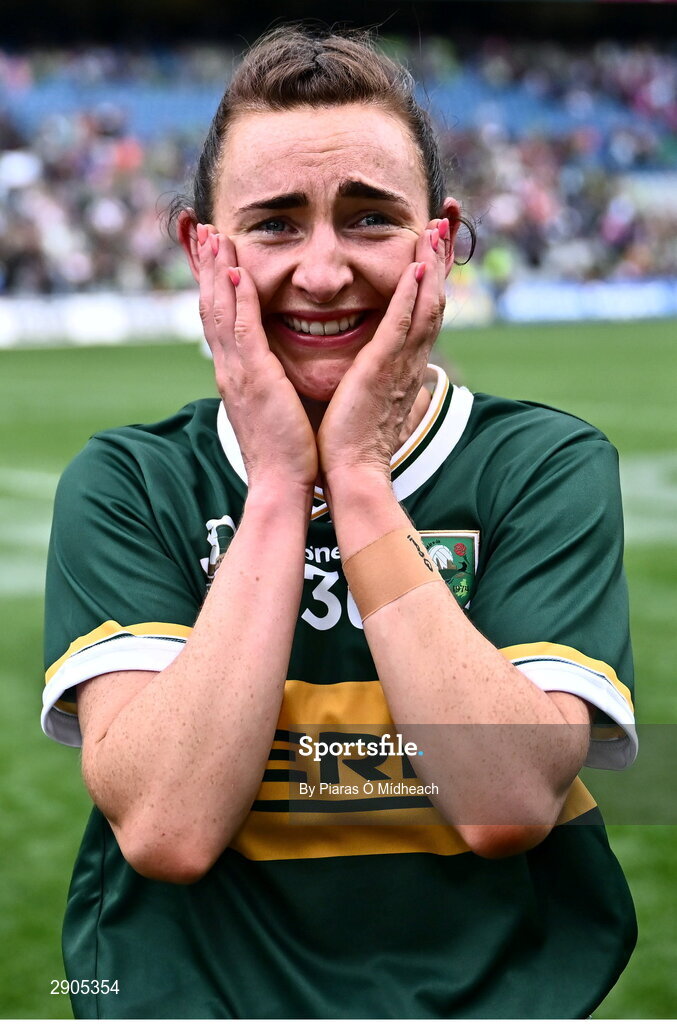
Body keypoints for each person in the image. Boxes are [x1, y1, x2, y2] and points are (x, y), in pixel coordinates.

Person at [42, 25, 638, 1019]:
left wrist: (355, 473)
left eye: (368, 219)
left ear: (436, 245)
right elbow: (168, 827)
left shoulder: (541, 467)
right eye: (275, 224)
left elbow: (505, 804)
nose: (322, 273)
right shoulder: (128, 483)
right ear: (203, 249)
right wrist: (279, 482)